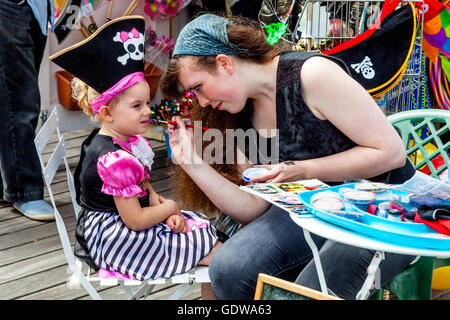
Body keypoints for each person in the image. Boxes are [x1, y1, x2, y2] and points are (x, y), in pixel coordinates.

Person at [161, 13, 417, 299]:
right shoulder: (238, 110)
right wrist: (192, 163)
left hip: (382, 208)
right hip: (311, 212)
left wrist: (302, 170)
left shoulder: (311, 74)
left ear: (224, 63)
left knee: (311, 291)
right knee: (227, 269)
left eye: (198, 88)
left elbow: (391, 153)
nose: (201, 102)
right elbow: (255, 205)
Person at [49, 16, 220, 297]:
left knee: (201, 228)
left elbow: (144, 187)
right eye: (137, 105)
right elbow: (136, 221)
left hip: (124, 221)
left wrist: (160, 205)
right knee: (214, 252)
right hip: (114, 240)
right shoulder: (114, 159)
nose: (147, 111)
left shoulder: (127, 142)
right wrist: (169, 208)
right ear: (106, 113)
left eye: (148, 103)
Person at [0, 0, 55, 221]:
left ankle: (8, 184)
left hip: (36, 9)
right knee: (20, 102)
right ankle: (25, 191)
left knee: (8, 98)